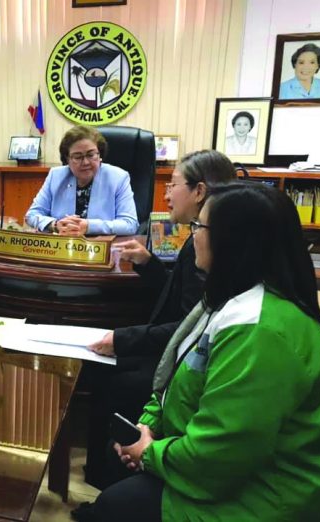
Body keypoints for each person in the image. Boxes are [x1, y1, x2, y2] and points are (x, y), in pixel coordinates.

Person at [81, 182, 320, 521]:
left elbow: (221, 453)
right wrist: (147, 427)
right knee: (116, 476)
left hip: (264, 495)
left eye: (199, 226)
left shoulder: (260, 331)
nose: (193, 234)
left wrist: (149, 453)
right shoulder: (226, 298)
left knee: (117, 505)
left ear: (234, 240)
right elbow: (179, 375)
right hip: (218, 469)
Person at [81, 150, 237, 491]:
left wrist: (122, 339)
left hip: (183, 364)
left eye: (173, 184)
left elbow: (188, 329)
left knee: (114, 381)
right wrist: (150, 264)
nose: (165, 193)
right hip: (173, 351)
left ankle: (109, 485)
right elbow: (179, 301)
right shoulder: (199, 235)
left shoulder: (211, 246)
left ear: (199, 191)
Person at [25, 126, 138, 236]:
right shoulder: (56, 176)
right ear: (67, 159)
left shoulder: (118, 177)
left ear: (100, 155)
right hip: (63, 246)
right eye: (78, 157)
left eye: (91, 155)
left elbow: (130, 224)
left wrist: (89, 226)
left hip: (101, 248)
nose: (85, 162)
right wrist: (55, 225)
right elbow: (31, 215)